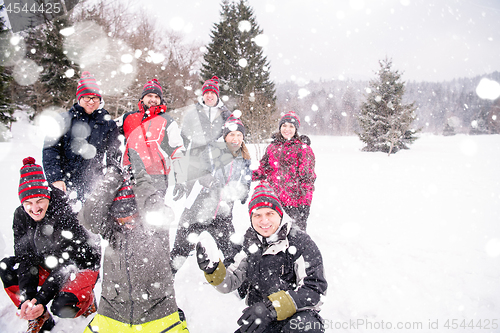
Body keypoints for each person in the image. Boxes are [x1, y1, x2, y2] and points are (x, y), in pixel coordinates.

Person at [195, 181, 327, 333]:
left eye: (270, 213)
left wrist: (272, 307)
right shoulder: (248, 243)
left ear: (280, 214)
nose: (264, 221)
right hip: (262, 320)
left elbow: (315, 290)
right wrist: (213, 270)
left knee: (307, 327)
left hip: (296, 317)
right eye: (257, 215)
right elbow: (229, 282)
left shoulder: (300, 242)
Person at [79, 165, 188, 332]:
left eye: (133, 218)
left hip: (157, 312)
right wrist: (112, 179)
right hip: (112, 313)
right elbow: (89, 216)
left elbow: (155, 208)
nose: (128, 224)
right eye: (121, 219)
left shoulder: (156, 231)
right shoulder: (112, 234)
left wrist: (141, 179)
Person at [0, 157, 101, 333]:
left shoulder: (63, 211)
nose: (35, 208)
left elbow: (65, 263)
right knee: (6, 268)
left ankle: (86, 300)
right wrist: (29, 300)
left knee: (63, 306)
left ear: (47, 195)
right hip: (48, 262)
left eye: (40, 200)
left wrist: (41, 299)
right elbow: (25, 259)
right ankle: (38, 316)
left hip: (78, 266)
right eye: (28, 203)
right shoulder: (21, 216)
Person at [170, 114, 251, 272]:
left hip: (223, 213)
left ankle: (237, 282)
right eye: (232, 134)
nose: (235, 138)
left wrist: (244, 190)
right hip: (198, 209)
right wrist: (211, 181)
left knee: (232, 251)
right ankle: (166, 279)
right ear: (225, 136)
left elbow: (247, 176)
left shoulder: (244, 157)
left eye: (239, 135)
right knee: (181, 249)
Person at [170, 75, 232, 272]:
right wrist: (180, 178)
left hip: (220, 176)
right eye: (206, 93)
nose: (210, 96)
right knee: (189, 220)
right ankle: (173, 265)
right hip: (196, 175)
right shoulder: (192, 116)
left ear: (217, 95)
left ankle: (232, 267)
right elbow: (181, 147)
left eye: (213, 93)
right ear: (202, 96)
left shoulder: (227, 115)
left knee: (224, 223)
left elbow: (237, 142)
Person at [43, 71, 120, 204]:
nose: (91, 101)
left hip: (93, 184)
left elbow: (114, 154)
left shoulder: (108, 124)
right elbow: (50, 150)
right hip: (64, 184)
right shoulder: (62, 120)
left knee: (89, 221)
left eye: (95, 98)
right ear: (79, 98)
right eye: (87, 97)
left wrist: (110, 180)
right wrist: (56, 178)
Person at [118, 78, 185, 197]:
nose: (153, 99)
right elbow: (106, 132)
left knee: (152, 213)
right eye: (149, 95)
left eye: (157, 97)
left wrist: (180, 179)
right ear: (142, 98)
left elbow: (177, 150)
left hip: (156, 176)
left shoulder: (168, 121)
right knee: (126, 213)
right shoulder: (127, 118)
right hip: (129, 174)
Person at [252, 111, 316, 231]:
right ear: (280, 127)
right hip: (273, 201)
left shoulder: (303, 149)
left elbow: (307, 179)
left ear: (296, 129)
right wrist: (246, 175)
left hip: (294, 203)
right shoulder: (272, 147)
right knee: (273, 235)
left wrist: (305, 204)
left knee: (296, 238)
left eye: (291, 126)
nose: (287, 129)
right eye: (284, 125)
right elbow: (264, 170)